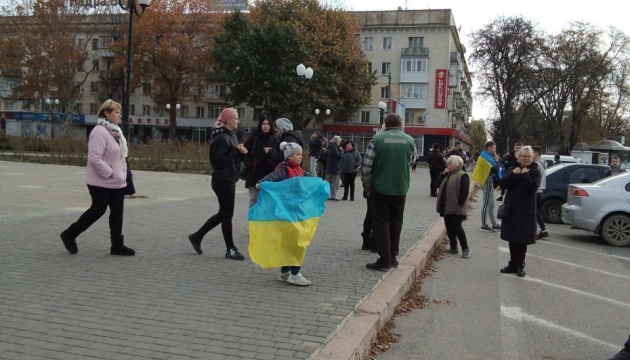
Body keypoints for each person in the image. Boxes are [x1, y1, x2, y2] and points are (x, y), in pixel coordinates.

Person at [59, 99, 135, 256]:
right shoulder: (99, 131)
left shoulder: (115, 130)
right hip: (101, 182)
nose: (119, 115)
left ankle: (117, 245)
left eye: (119, 112)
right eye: (116, 112)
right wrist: (110, 173)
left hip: (117, 182)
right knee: (98, 210)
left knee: (117, 213)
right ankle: (69, 234)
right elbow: (94, 158)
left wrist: (120, 175)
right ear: (106, 113)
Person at [187, 108, 247, 260]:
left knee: (223, 214)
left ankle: (197, 236)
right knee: (227, 215)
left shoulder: (231, 137)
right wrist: (236, 152)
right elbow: (218, 162)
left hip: (229, 179)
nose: (238, 121)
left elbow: (232, 159)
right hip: (222, 180)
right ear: (227, 120)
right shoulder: (221, 138)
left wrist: (240, 153)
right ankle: (230, 249)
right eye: (236, 118)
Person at [256, 142, 314, 286]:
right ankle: (295, 273)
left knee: (290, 243)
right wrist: (261, 184)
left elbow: (310, 177)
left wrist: (319, 183)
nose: (301, 157)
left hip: (296, 213)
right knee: (297, 243)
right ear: (289, 156)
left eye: (301, 154)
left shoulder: (298, 170)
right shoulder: (284, 170)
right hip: (288, 214)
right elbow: (268, 179)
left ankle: (284, 272)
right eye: (297, 154)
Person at [363, 113, 415, 271]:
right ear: (400, 124)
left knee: (381, 224)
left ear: (385, 124)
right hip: (400, 189)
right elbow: (412, 161)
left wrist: (368, 186)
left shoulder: (377, 139)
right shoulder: (410, 140)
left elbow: (366, 166)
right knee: (396, 223)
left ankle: (384, 260)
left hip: (380, 188)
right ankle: (393, 257)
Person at [499, 146, 541, 278]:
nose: (527, 159)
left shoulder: (534, 171)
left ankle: (520, 265)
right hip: (512, 209)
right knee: (512, 238)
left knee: (522, 240)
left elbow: (532, 187)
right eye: (524, 156)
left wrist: (524, 174)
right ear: (519, 157)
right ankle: (512, 263)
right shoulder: (513, 168)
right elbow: (502, 184)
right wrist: (513, 173)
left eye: (529, 156)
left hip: (526, 211)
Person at [435, 155, 471, 257]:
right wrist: (442, 174)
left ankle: (465, 248)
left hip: (457, 207)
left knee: (457, 227)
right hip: (446, 207)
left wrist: (459, 202)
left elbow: (465, 191)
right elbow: (436, 184)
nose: (448, 165)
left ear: (457, 164)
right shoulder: (447, 174)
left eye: (451, 163)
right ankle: (453, 246)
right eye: (448, 163)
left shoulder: (462, 175)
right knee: (449, 227)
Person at [242, 113, 278, 207]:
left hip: (270, 176)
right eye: (263, 124)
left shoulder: (274, 139)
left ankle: (264, 221)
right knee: (254, 201)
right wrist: (251, 164)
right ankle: (253, 221)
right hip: (254, 175)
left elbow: (278, 156)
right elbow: (244, 152)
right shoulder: (254, 138)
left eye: (268, 124)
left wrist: (272, 153)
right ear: (260, 125)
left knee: (268, 202)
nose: (265, 126)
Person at [470, 141, 501, 233]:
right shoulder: (486, 157)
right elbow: (495, 169)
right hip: (486, 181)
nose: (495, 150)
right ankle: (484, 224)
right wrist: (496, 160)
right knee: (487, 203)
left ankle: (494, 223)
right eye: (494, 148)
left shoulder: (486, 156)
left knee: (491, 204)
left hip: (488, 181)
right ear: (489, 147)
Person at [532, 146, 549, 240]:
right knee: (537, 212)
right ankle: (543, 230)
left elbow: (536, 180)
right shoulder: (543, 163)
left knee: (534, 212)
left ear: (537, 153)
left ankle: (534, 232)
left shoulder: (537, 165)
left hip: (537, 191)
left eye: (532, 153)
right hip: (541, 191)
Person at [326, 135, 343, 201]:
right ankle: (333, 196)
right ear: (338, 141)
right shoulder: (335, 148)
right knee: (335, 182)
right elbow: (338, 156)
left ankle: (329, 195)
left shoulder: (330, 147)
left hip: (330, 166)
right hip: (335, 167)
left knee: (331, 181)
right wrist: (341, 151)